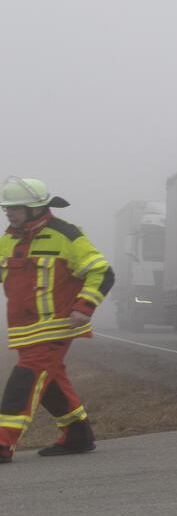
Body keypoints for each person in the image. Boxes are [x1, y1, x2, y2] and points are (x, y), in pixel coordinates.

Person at [1, 177, 112, 462]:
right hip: (25, 329)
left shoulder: (66, 234)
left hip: (57, 326)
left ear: (36, 208)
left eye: (15, 208)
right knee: (49, 380)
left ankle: (3, 442)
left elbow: (102, 272)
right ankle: (77, 434)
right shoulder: (9, 238)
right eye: (7, 209)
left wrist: (83, 308)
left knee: (24, 380)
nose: (9, 213)